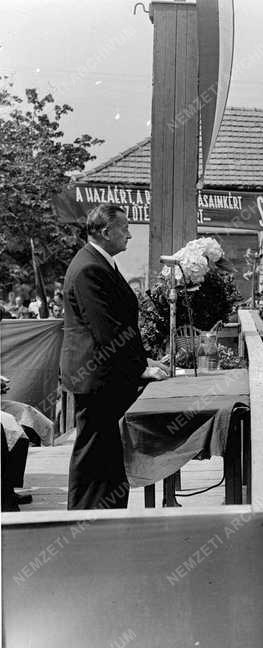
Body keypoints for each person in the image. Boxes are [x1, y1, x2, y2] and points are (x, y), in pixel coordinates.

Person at [61, 204, 168, 510]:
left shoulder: (99, 262)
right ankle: (81, 515)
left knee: (105, 449)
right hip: (95, 376)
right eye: (124, 228)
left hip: (103, 374)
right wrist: (140, 370)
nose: (130, 235)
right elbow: (106, 330)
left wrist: (144, 361)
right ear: (106, 232)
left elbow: (119, 326)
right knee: (93, 449)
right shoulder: (90, 268)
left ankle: (102, 514)